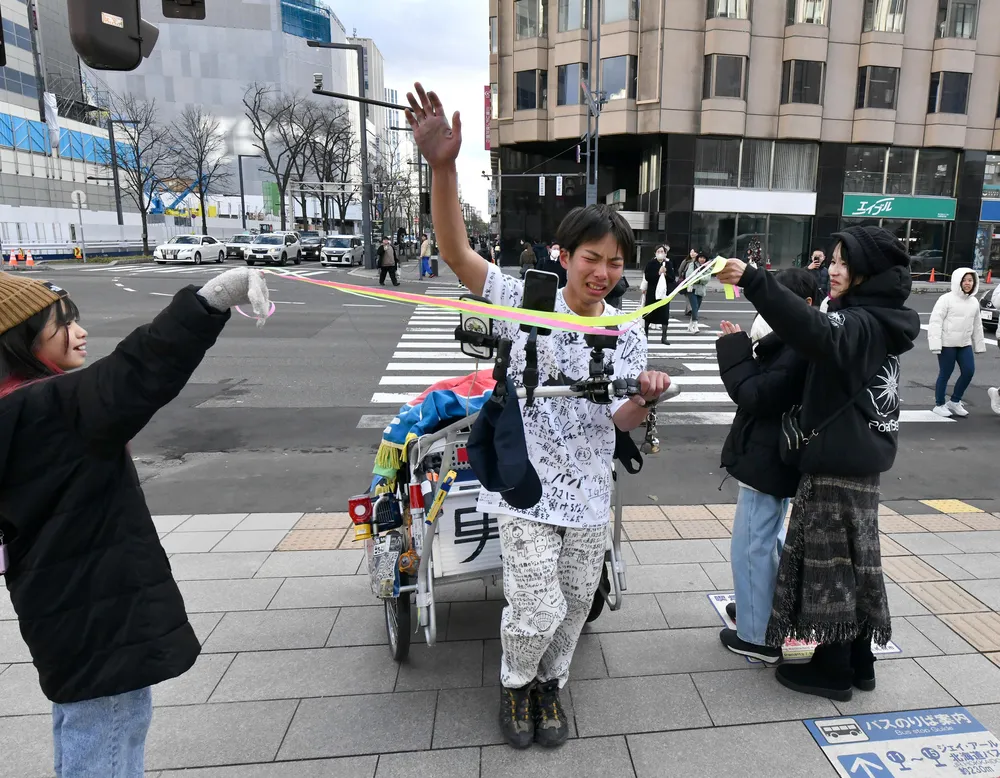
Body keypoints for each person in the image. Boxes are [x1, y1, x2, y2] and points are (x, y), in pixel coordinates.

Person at [406, 81, 670, 750]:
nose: (603, 273)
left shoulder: (626, 328)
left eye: (614, 263)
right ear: (565, 256)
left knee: (578, 602)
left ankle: (551, 687)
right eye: (591, 259)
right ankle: (515, 686)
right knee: (535, 605)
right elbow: (460, 257)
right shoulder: (529, 298)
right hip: (527, 488)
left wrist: (646, 395)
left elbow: (619, 420)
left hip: (590, 494)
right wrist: (443, 168)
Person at [0, 268, 270, 776]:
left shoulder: (12, 409)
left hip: (57, 609)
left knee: (80, 722)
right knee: (109, 733)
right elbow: (139, 369)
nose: (79, 331)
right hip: (100, 610)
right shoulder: (49, 408)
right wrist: (210, 301)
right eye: (61, 323)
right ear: (18, 340)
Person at [717, 225, 921, 702]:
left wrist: (755, 281)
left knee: (831, 569)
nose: (833, 269)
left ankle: (832, 671)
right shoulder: (875, 319)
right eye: (831, 260)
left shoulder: (861, 323)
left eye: (843, 262)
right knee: (851, 565)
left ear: (866, 272)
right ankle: (859, 663)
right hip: (856, 464)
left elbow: (813, 333)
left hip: (838, 468)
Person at [715, 268, 819, 663]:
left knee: (752, 545)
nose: (767, 310)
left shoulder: (799, 347)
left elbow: (755, 395)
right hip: (769, 455)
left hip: (770, 458)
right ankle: (761, 609)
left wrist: (734, 349)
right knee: (766, 540)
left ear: (805, 306)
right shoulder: (794, 338)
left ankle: (758, 635)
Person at [928, 267, 985, 418]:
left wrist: (979, 345)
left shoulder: (973, 302)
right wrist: (935, 344)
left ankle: (955, 401)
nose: (967, 283)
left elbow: (977, 325)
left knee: (969, 371)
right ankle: (939, 404)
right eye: (965, 280)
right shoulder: (946, 299)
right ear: (958, 281)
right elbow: (935, 322)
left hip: (965, 344)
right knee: (945, 373)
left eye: (970, 280)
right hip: (947, 344)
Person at [642, 245, 675, 344]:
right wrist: (658, 273)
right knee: (648, 314)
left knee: (664, 315)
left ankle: (664, 337)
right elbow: (647, 277)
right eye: (658, 251)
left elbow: (672, 278)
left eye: (662, 251)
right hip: (652, 292)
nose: (660, 253)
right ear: (655, 253)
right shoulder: (651, 263)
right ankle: (645, 335)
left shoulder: (668, 264)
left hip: (664, 293)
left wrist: (665, 274)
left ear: (665, 253)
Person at [684, 251, 711, 333]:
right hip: (692, 289)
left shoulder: (707, 267)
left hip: (701, 290)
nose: (702, 259)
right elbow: (689, 276)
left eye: (704, 258)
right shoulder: (693, 264)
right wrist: (700, 278)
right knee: (694, 307)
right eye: (700, 257)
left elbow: (707, 279)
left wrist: (698, 277)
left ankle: (690, 326)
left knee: (697, 308)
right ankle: (695, 326)